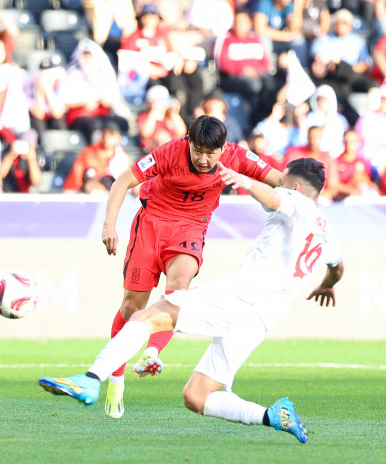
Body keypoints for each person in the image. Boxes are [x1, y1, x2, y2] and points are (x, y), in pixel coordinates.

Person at [39, 157, 344, 445]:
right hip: (260, 321)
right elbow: (337, 268)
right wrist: (327, 286)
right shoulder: (327, 230)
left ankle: (92, 379)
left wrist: (243, 180)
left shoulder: (296, 202)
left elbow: (274, 198)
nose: (280, 187)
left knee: (146, 317)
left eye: (283, 183)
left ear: (296, 187)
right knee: (197, 396)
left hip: (240, 298)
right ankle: (272, 415)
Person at [93, 115, 283, 419]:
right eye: (198, 151)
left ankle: (152, 352)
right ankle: (116, 379)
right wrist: (109, 226)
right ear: (188, 144)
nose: (205, 159)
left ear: (223, 149)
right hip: (151, 222)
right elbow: (122, 181)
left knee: (179, 288)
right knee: (131, 308)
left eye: (212, 153)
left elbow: (280, 180)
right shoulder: (170, 152)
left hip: (191, 228)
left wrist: (299, 204)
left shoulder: (236, 156)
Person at [62, 120, 129, 193]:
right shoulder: (89, 152)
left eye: (111, 134)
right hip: (90, 190)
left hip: (112, 191)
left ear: (118, 138)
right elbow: (77, 172)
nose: (107, 137)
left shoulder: (120, 156)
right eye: (104, 133)